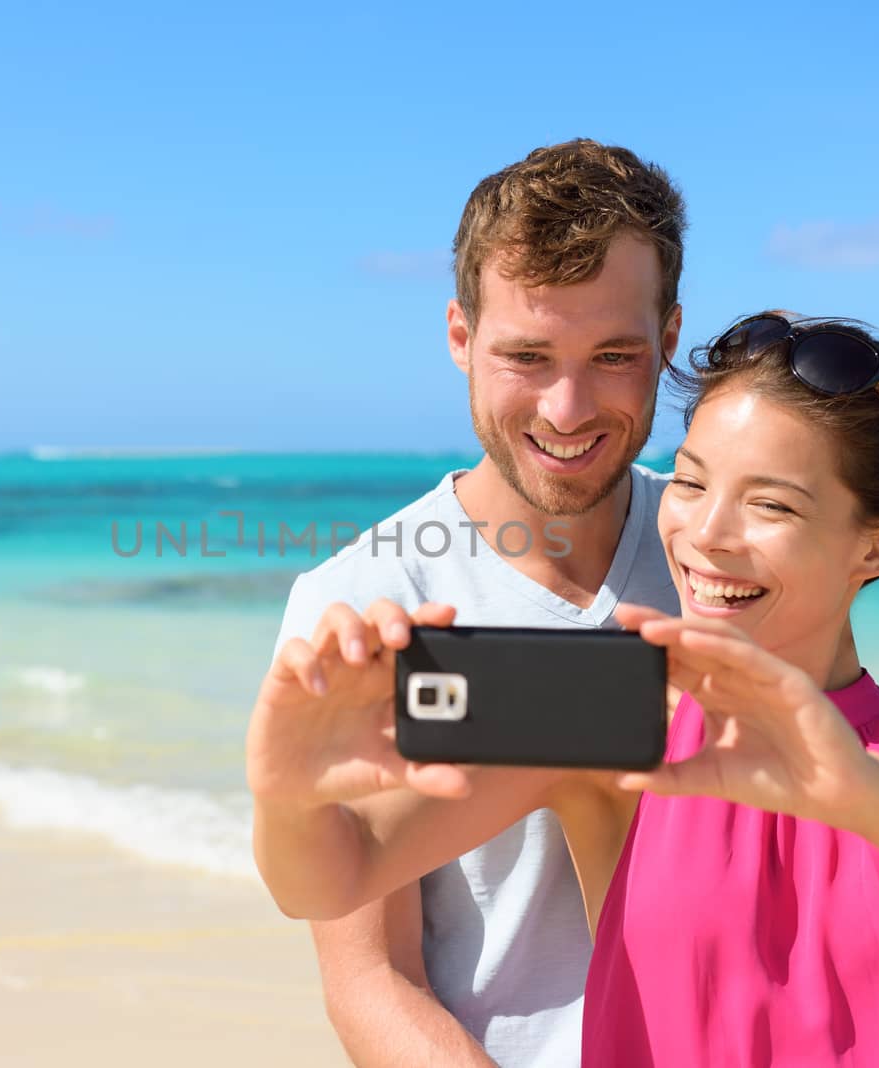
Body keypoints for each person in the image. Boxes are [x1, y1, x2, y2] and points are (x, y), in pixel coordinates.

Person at [248, 312, 879, 1067]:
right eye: (691, 481)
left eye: (771, 504)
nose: (706, 535)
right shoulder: (615, 728)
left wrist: (851, 785)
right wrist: (290, 796)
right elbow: (329, 880)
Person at [263, 139, 687, 1066]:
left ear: (668, 337)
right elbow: (372, 981)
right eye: (526, 356)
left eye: (614, 354)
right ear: (461, 337)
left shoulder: (719, 556)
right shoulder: (365, 599)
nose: (567, 409)